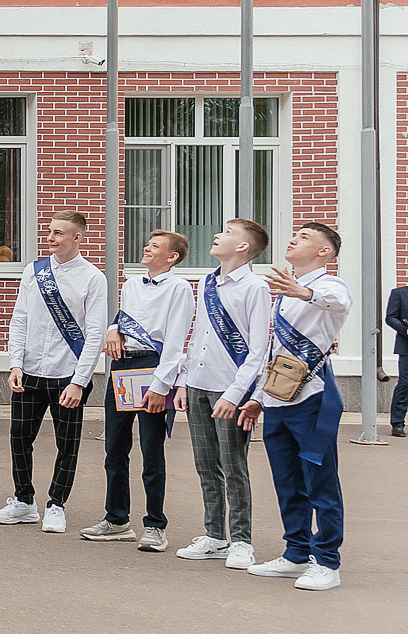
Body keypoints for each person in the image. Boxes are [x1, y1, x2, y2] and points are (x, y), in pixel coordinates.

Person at [140, 221, 268, 566]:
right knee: (205, 465)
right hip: (197, 384)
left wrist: (236, 393)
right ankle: (215, 535)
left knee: (234, 466)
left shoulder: (254, 287)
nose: (218, 235)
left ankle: (242, 540)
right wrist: (181, 381)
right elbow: (197, 336)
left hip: (230, 389)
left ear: (243, 247)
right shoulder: (207, 282)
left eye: (227, 232)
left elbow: (258, 350)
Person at [237, 223, 351, 591]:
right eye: (295, 234)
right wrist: (257, 398)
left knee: (320, 481)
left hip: (312, 398)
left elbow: (340, 304)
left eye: (304, 237)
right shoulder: (285, 291)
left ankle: (327, 562)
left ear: (325, 252)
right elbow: (274, 352)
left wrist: (304, 291)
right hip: (277, 398)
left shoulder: (329, 285)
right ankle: (296, 553)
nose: (293, 239)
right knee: (287, 481)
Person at [0, 211, 107, 533]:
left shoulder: (93, 278)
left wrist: (80, 381)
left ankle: (56, 505)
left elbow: (95, 333)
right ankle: (24, 501)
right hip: (29, 372)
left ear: (77, 238)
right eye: (50, 231)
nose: (51, 238)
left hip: (68, 374)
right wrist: (15, 363)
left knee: (67, 444)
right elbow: (20, 318)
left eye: (59, 233)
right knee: (19, 439)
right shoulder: (34, 271)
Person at [88, 229, 195, 552]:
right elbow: (122, 319)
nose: (147, 249)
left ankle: (155, 525)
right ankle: (117, 519)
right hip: (123, 366)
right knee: (115, 448)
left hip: (154, 366)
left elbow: (175, 341)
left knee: (152, 451)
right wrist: (111, 330)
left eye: (155, 246)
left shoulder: (180, 289)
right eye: (147, 244)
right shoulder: (132, 283)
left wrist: (161, 386)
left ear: (172, 256)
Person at [386, 283, 408, 439]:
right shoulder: (399, 293)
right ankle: (397, 423)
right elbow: (390, 317)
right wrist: (404, 329)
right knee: (405, 383)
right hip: (406, 346)